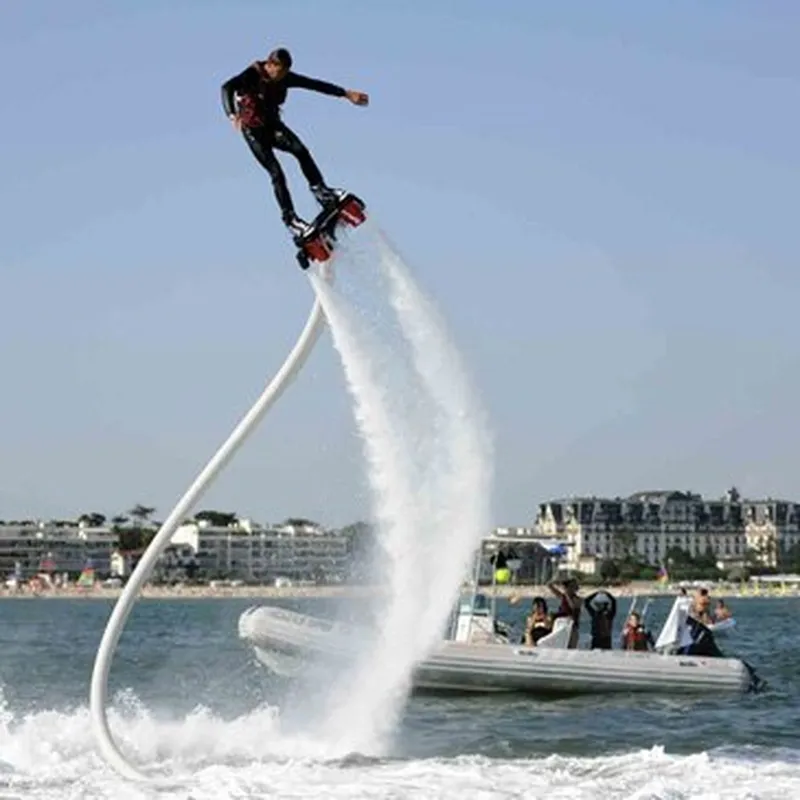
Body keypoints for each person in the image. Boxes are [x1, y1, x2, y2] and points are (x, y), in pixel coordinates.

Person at [221, 47, 369, 236]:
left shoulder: (286, 77)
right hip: (253, 133)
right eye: (280, 72)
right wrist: (232, 115)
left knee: (301, 151)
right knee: (276, 173)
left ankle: (321, 191)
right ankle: (291, 220)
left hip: (273, 127)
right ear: (271, 65)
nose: (282, 77)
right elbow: (226, 87)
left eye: (285, 73)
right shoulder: (252, 74)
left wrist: (346, 94)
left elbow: (313, 84)